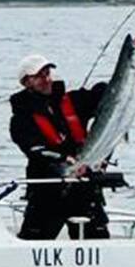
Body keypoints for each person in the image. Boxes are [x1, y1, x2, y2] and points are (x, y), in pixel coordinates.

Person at [9, 54, 110, 240]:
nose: (46, 80)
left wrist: (128, 71)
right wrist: (65, 162)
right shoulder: (20, 120)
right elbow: (34, 150)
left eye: (48, 74)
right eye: (39, 76)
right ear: (26, 82)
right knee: (34, 244)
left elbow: (105, 93)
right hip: (47, 192)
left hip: (84, 190)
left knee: (98, 241)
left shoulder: (74, 100)